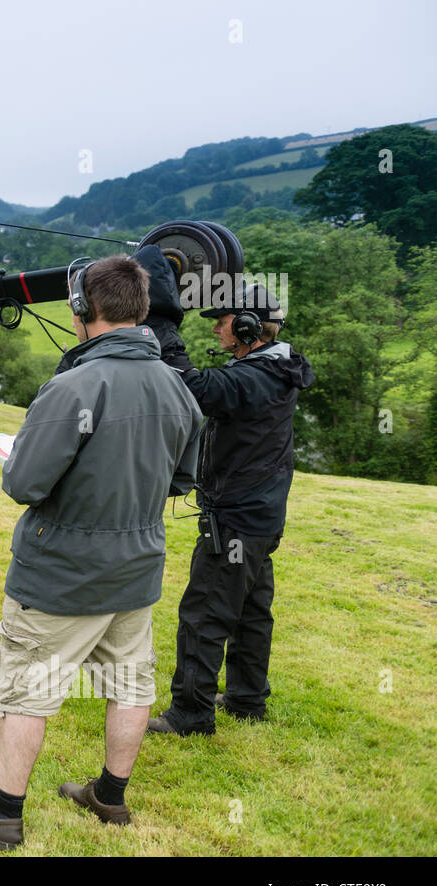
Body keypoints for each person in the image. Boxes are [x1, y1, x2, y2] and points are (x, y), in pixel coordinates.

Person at [0, 255, 202, 850]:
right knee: (129, 683)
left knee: (28, 688)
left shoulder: (72, 386)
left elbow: (24, 483)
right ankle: (109, 796)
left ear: (85, 308)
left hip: (60, 574)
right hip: (137, 570)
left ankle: (3, 814)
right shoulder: (177, 387)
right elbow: (183, 478)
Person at [146, 282, 315, 736]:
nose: (216, 329)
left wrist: (162, 326)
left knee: (205, 612)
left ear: (247, 327)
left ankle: (190, 714)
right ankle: (246, 698)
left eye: (222, 321)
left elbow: (192, 386)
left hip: (238, 520)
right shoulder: (272, 368)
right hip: (260, 518)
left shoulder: (256, 377)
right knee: (252, 611)